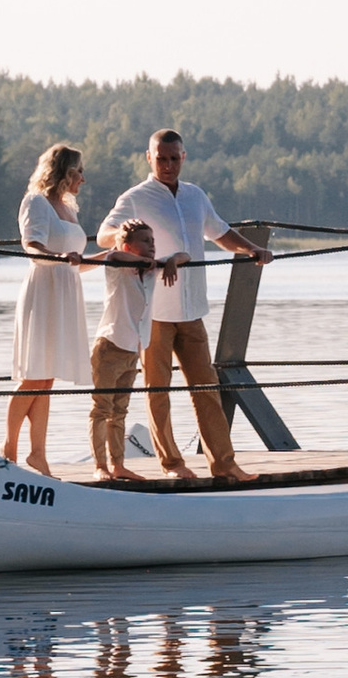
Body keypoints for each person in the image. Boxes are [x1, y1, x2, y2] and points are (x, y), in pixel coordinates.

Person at [98, 127, 265, 485]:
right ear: (149, 158)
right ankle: (171, 462)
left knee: (207, 388)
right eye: (161, 159)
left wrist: (251, 248)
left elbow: (220, 232)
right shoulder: (135, 197)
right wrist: (122, 234)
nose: (169, 165)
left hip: (193, 311)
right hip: (155, 312)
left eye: (174, 158)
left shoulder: (195, 196)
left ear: (184, 157)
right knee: (158, 392)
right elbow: (103, 235)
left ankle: (223, 464)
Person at [3, 144, 93, 471]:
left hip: (66, 291)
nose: (83, 178)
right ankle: (9, 447)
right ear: (65, 172)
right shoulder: (36, 202)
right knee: (33, 376)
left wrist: (107, 259)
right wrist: (57, 258)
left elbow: (74, 264)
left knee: (47, 378)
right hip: (43, 291)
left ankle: (37, 452)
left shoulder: (69, 209)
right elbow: (32, 246)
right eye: (79, 171)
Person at [89, 218, 162, 484]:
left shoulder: (152, 271)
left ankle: (118, 464)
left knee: (120, 411)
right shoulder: (118, 269)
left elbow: (184, 255)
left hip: (133, 348)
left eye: (153, 241)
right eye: (145, 241)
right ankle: (100, 465)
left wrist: (173, 260)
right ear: (130, 246)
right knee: (101, 409)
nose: (152, 247)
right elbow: (113, 254)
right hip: (110, 346)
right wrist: (139, 261)